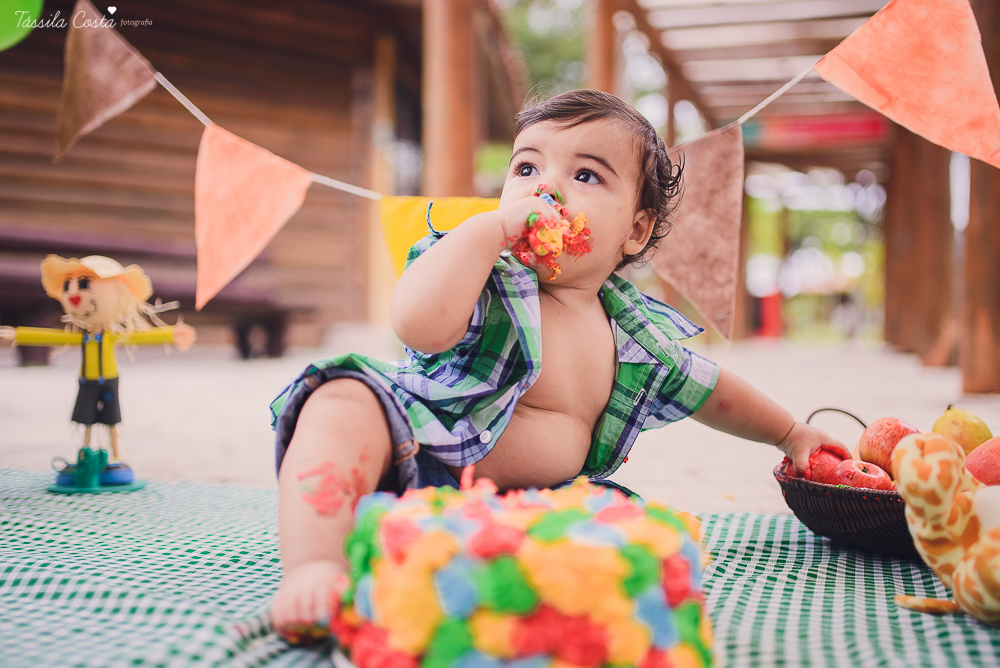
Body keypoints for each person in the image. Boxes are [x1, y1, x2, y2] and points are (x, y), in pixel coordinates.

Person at [268, 90, 847, 632]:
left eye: (586, 174)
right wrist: (486, 233)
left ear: (635, 231)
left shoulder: (636, 337)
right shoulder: (485, 273)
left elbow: (714, 390)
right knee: (341, 399)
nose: (546, 190)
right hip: (413, 453)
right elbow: (417, 324)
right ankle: (315, 565)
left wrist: (791, 434)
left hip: (526, 510)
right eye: (526, 169)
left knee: (635, 548)